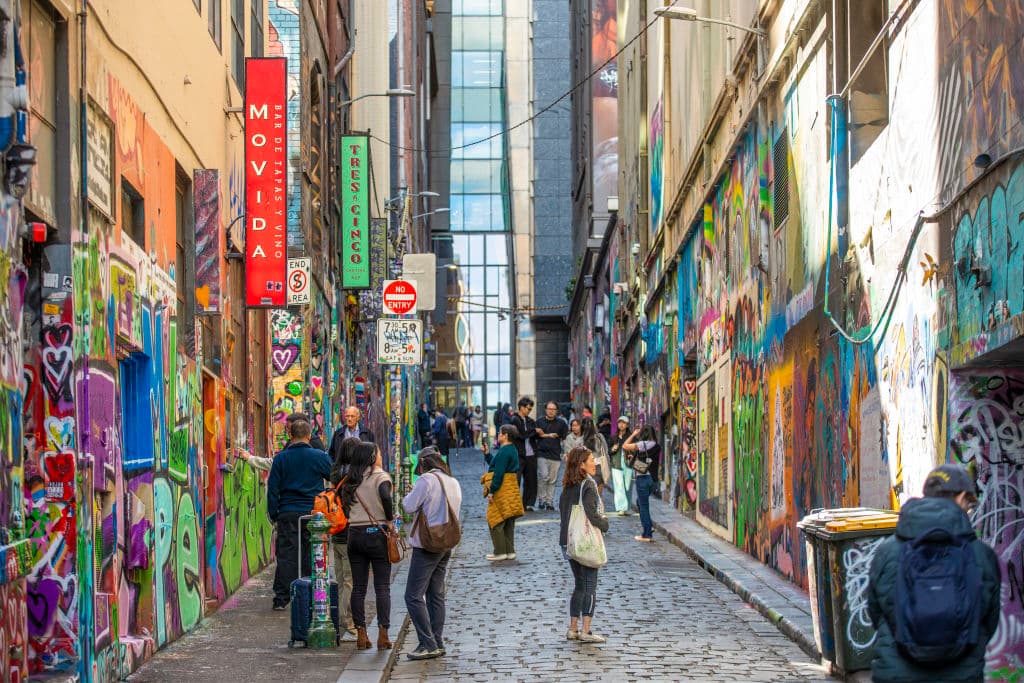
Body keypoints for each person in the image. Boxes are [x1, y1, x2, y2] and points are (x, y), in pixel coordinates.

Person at [868, 464, 1000, 683]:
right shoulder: (981, 554)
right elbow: (988, 620)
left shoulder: (888, 550)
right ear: (960, 498)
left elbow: (876, 611)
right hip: (961, 674)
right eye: (968, 502)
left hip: (896, 673)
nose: (969, 509)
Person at [402, 448, 463, 660]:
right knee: (436, 594)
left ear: (423, 463)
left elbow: (408, 506)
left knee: (413, 595)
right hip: (446, 542)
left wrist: (408, 494)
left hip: (427, 543)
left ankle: (427, 643)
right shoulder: (452, 481)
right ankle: (437, 641)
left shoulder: (426, 480)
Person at [266, 418, 332, 609]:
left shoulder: (281, 458)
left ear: (290, 435)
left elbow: (273, 489)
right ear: (309, 436)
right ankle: (313, 593)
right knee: (312, 552)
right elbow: (334, 475)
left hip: (288, 512)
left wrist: (274, 513)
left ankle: (281, 597)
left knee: (287, 555)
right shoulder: (319, 456)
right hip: (313, 513)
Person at [341, 442, 395, 650]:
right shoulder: (380, 476)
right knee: (382, 586)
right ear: (373, 457)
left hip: (354, 534)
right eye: (379, 452)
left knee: (359, 587)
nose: (381, 456)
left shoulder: (350, 479)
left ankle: (361, 635)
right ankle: (383, 634)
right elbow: (386, 496)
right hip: (376, 533)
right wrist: (389, 520)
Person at [559, 445, 609, 643]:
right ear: (581, 464)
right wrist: (604, 524)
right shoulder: (587, 485)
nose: (594, 462)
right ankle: (586, 630)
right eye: (590, 459)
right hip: (584, 541)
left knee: (579, 585)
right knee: (589, 585)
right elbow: (591, 513)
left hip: (568, 542)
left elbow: (563, 513)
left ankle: (573, 628)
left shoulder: (568, 485)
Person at [329, 436, 362, 637]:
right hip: (350, 531)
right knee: (350, 581)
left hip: (337, 531)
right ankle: (346, 623)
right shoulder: (356, 476)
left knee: (342, 580)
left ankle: (342, 620)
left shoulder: (335, 472)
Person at [483, 424, 523, 561]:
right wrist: (487, 454)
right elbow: (495, 464)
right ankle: (509, 551)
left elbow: (498, 473)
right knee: (508, 519)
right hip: (512, 487)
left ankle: (500, 551)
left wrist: (491, 491)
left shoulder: (504, 451)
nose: (498, 435)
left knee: (495, 519)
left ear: (505, 435)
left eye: (500, 433)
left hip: (502, 488)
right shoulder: (511, 449)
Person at [622, 425, 660, 542]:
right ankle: (649, 526)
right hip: (653, 480)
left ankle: (647, 534)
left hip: (642, 478)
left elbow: (624, 446)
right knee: (640, 502)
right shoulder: (657, 446)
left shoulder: (641, 445)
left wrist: (633, 434)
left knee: (643, 506)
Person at [534, 400, 568, 511]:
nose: (551, 411)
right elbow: (534, 437)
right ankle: (542, 499)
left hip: (555, 454)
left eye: (553, 409)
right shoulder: (539, 421)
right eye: (549, 409)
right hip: (541, 453)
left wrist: (566, 452)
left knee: (552, 480)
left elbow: (564, 439)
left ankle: (549, 501)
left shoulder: (561, 423)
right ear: (545, 410)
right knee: (544, 476)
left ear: (556, 411)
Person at [510, 397, 538, 511]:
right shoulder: (514, 420)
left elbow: (533, 435)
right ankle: (515, 504)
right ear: (521, 407)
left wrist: (535, 432)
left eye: (531, 409)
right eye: (528, 408)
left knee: (531, 480)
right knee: (516, 480)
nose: (529, 410)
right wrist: (534, 431)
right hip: (518, 454)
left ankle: (527, 504)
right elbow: (520, 435)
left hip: (531, 454)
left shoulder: (530, 421)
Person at [608, 416, 634, 516]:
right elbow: (608, 451)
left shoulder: (631, 437)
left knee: (628, 486)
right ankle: (620, 508)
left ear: (627, 425)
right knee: (618, 486)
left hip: (628, 464)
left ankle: (626, 508)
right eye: (619, 422)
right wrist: (612, 449)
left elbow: (636, 448)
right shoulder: (613, 437)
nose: (621, 424)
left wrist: (631, 453)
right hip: (616, 464)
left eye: (624, 423)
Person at [580, 417, 610, 496]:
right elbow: (606, 452)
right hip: (598, 467)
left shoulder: (580, 439)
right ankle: (597, 508)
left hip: (584, 468)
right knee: (598, 496)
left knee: (584, 495)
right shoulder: (599, 437)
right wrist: (608, 467)